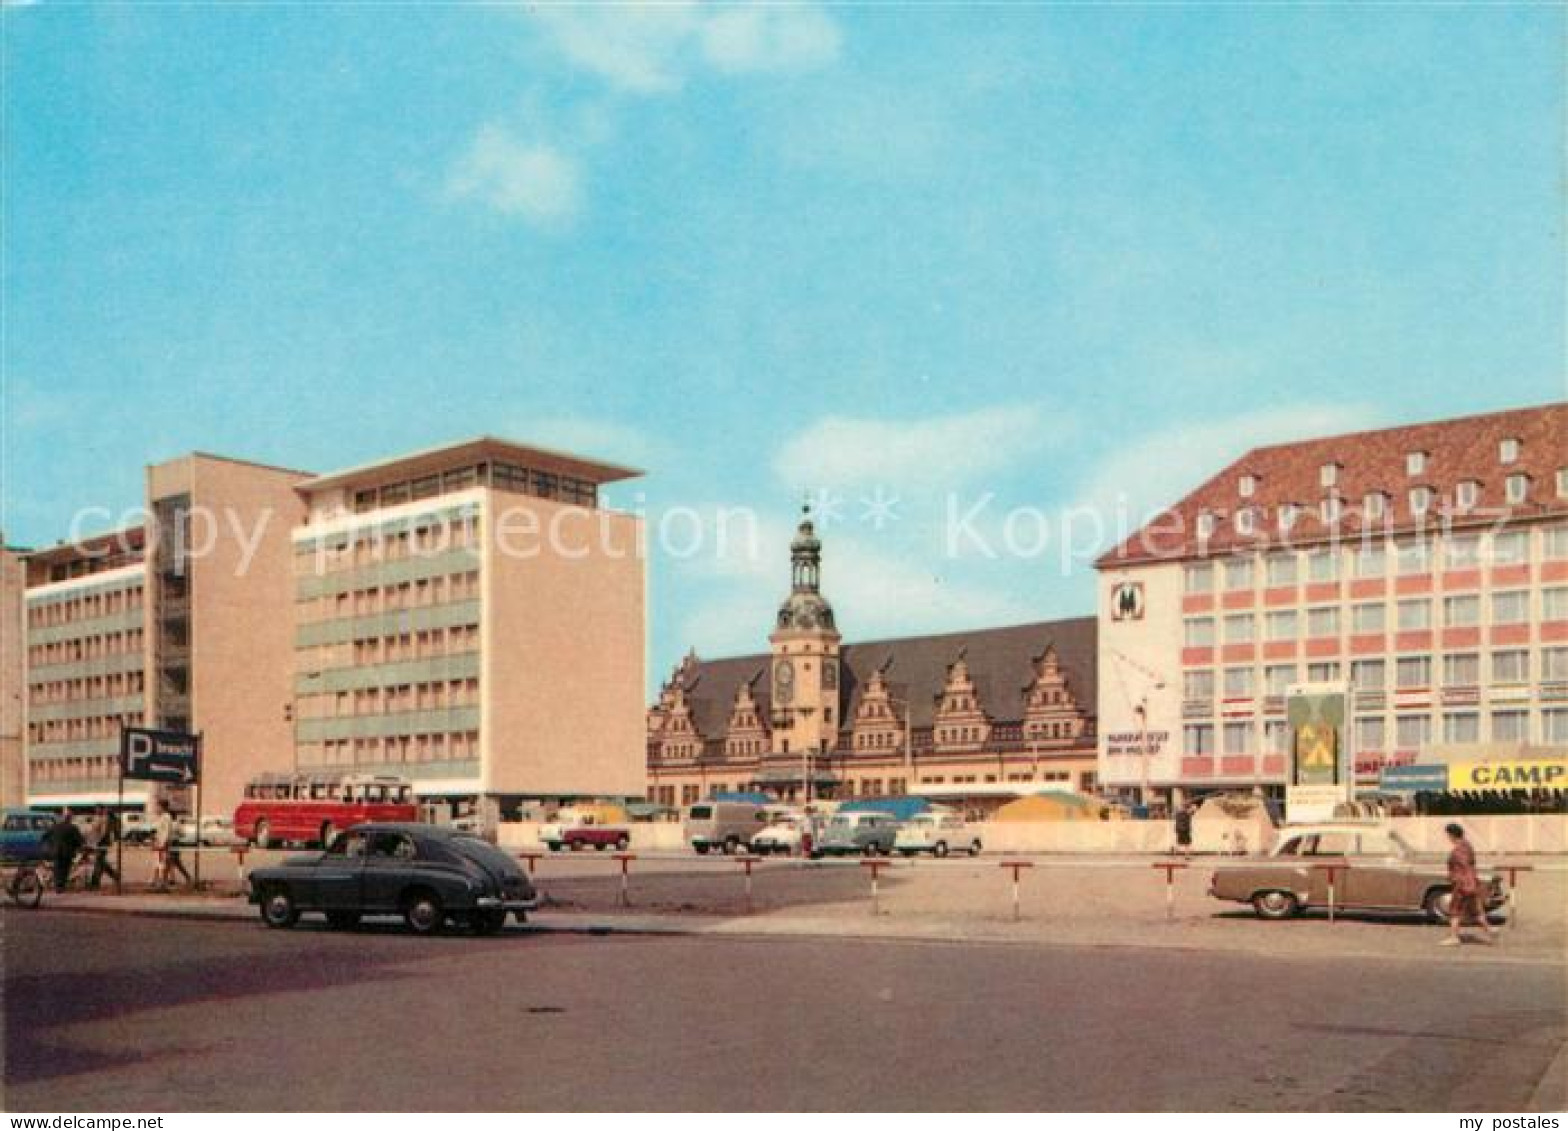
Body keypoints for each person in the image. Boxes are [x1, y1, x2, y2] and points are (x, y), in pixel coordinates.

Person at [1441, 823, 1497, 947]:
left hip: (1463, 885)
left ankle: (1454, 937)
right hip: (1470, 884)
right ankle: (1490, 930)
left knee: (1454, 910)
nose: (1447, 837)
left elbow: (1465, 867)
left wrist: (1461, 881)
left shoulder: (1459, 850)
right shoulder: (1467, 846)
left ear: (1452, 835)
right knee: (1475, 911)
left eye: (1448, 835)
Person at [152, 800, 193, 890]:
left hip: (170, 843)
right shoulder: (163, 817)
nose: (157, 808)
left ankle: (164, 882)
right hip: (164, 843)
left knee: (169, 863)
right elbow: (160, 831)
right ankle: (163, 881)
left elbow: (167, 832)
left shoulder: (167, 818)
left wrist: (164, 843)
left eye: (159, 806)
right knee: (167, 862)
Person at [44, 808, 85, 893]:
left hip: (56, 851)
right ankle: (61, 887)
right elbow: (79, 841)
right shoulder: (73, 828)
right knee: (65, 870)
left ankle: (58, 887)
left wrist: (50, 845)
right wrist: (81, 847)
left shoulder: (55, 826)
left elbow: (45, 836)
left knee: (57, 869)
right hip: (67, 853)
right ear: (70, 819)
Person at [87, 807, 120, 891]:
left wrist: (96, 842)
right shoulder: (101, 818)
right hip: (99, 843)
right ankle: (115, 875)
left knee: (99, 862)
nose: (96, 811)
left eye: (97, 810)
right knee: (101, 862)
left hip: (101, 844)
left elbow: (104, 832)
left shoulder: (105, 819)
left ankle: (95, 883)